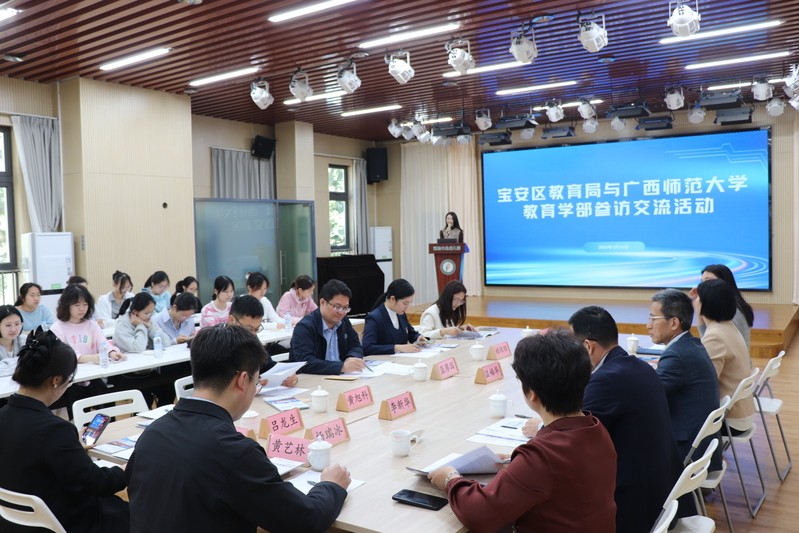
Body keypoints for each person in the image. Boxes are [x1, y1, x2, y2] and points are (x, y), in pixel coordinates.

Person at [126, 324, 350, 533]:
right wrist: (331, 485)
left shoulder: (153, 432)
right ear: (243, 380)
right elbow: (306, 520)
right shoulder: (234, 451)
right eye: (257, 382)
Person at [428, 329, 617, 532]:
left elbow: (478, 514)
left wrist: (450, 479)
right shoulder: (596, 428)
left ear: (532, 394)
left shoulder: (543, 455)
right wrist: (519, 465)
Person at [528, 306, 681, 533]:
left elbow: (573, 438)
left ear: (588, 346)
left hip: (632, 503)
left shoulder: (604, 380)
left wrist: (542, 425)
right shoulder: (640, 365)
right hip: (664, 491)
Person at [0, 329, 129, 533]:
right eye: (69, 381)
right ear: (56, 380)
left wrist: (70, 448)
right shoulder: (54, 430)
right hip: (63, 521)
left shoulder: (4, 415)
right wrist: (128, 468)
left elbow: (30, 455)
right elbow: (98, 484)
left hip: (15, 520)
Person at [648, 289, 722, 471]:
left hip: (686, 452)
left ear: (674, 323)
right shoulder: (691, 344)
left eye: (653, 319)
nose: (648, 326)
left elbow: (647, 394)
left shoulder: (676, 356)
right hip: (700, 445)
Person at [697, 279, 755, 434]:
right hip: (741, 413)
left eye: (697, 298)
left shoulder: (715, 336)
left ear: (704, 304)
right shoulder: (727, 327)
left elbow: (705, 383)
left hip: (730, 419)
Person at [289, 279, 366, 375]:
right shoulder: (305, 327)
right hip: (313, 379)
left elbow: (355, 345)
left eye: (345, 308)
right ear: (322, 302)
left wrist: (352, 358)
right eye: (337, 307)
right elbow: (305, 362)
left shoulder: (344, 322)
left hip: (342, 377)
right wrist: (341, 367)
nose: (342, 312)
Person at [227, 295, 298, 388]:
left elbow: (268, 365)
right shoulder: (217, 342)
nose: (253, 334)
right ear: (232, 320)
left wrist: (287, 374)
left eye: (257, 329)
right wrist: (251, 383)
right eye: (249, 329)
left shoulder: (252, 337)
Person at [51, 284, 125, 365]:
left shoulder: (92, 325)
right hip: (70, 371)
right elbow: (61, 354)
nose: (82, 308)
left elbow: (103, 343)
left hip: (94, 370)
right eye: (77, 305)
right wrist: (89, 358)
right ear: (66, 305)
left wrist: (111, 352)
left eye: (85, 304)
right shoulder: (57, 328)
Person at [690, 264, 754, 351]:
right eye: (702, 282)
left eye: (708, 281)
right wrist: (699, 303)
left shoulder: (730, 310)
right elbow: (706, 336)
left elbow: (710, 343)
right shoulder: (729, 304)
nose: (703, 286)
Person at [362, 279, 427, 355]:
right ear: (393, 299)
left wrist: (418, 338)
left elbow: (411, 333)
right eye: (405, 303)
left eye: (409, 303)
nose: (407, 307)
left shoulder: (401, 314)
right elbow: (367, 347)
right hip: (384, 360)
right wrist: (397, 348)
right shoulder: (374, 318)